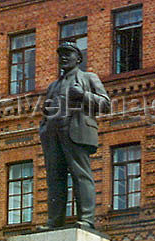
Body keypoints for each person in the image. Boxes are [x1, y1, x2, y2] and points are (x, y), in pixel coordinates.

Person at [39, 41, 110, 230]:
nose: (63, 57)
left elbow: (105, 104)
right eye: (61, 54)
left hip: (76, 131)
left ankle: (86, 219)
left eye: (68, 54)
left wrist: (83, 96)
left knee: (81, 175)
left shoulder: (88, 78)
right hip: (53, 134)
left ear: (78, 58)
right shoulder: (53, 86)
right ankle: (54, 221)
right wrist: (44, 127)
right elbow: (47, 110)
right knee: (55, 178)